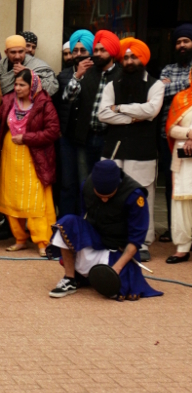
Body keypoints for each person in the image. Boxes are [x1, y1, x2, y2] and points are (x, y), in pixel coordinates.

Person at [48, 159, 161, 300]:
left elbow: (136, 239)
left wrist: (116, 270)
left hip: (118, 248)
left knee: (119, 289)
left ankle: (110, 273)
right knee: (67, 223)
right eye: (100, 196)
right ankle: (70, 278)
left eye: (109, 196)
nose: (105, 200)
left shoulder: (134, 195)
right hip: (96, 238)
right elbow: (84, 218)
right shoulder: (87, 185)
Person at [99, 37, 162, 256]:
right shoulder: (111, 85)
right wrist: (133, 117)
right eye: (125, 57)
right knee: (113, 196)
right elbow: (103, 113)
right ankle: (117, 239)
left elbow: (151, 111)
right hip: (114, 149)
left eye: (133, 56)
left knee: (142, 195)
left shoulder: (156, 85)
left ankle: (142, 243)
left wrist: (120, 108)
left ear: (142, 59)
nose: (129, 61)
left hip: (142, 151)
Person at [0, 69, 60, 255]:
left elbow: (52, 131)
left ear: (32, 85)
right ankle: (20, 239)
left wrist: (27, 138)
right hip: (10, 155)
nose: (17, 88)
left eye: (22, 85)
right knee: (12, 196)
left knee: (34, 198)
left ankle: (42, 242)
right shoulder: (9, 101)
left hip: (34, 156)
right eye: (16, 84)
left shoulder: (44, 103)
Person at [62, 28, 121, 183]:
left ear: (112, 51)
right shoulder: (87, 71)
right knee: (85, 182)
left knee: (106, 182)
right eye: (96, 50)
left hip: (109, 139)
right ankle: (85, 209)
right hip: (85, 138)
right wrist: (78, 75)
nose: (98, 54)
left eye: (103, 50)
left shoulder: (121, 75)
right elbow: (67, 97)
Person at [157, 24, 192, 241]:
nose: (181, 45)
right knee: (173, 182)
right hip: (168, 134)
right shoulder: (168, 68)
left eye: (186, 41)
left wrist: (174, 86)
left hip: (190, 132)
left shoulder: (171, 75)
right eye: (178, 42)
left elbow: (169, 88)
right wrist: (188, 83)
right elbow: (160, 90)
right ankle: (173, 229)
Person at [56, 29, 94, 215]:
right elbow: (63, 101)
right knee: (67, 183)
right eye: (75, 50)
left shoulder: (97, 75)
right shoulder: (63, 76)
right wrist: (76, 76)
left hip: (88, 137)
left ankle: (83, 224)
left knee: (84, 182)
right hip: (67, 137)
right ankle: (65, 226)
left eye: (83, 50)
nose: (78, 54)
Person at [164, 68, 192, 263]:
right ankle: (182, 247)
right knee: (181, 201)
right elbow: (171, 129)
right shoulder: (180, 98)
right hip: (183, 159)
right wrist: (189, 134)